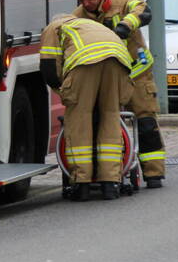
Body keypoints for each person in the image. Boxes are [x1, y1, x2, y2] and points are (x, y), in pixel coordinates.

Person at [73, 0, 166, 188]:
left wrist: (126, 25)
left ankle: (154, 173)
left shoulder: (121, 1)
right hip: (107, 79)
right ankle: (110, 174)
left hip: (137, 72)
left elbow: (144, 11)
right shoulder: (78, 16)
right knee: (106, 124)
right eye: (81, 0)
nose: (86, 4)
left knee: (145, 122)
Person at [40, 14, 134, 200]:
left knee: (79, 120)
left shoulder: (54, 27)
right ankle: (110, 183)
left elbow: (49, 66)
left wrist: (63, 90)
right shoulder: (90, 25)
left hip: (85, 62)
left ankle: (81, 184)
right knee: (110, 118)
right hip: (119, 61)